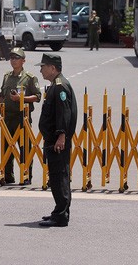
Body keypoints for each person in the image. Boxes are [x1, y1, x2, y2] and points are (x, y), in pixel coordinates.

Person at [36, 53, 77, 227]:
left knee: (59, 176)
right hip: (54, 139)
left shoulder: (60, 87)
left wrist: (61, 135)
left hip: (57, 141)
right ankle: (59, 211)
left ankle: (60, 216)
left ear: (53, 68)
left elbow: (64, 113)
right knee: (56, 175)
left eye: (43, 66)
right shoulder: (55, 85)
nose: (40, 70)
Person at [0, 47, 41, 185]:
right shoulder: (6, 76)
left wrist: (21, 99)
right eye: (11, 58)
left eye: (16, 58)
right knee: (6, 147)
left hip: (22, 117)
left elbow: (37, 96)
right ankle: (8, 176)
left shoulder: (29, 78)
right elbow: (1, 96)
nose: (13, 60)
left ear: (23, 61)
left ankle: (26, 174)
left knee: (25, 148)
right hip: (7, 117)